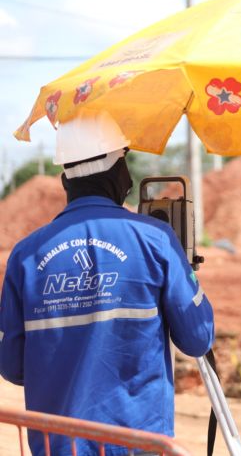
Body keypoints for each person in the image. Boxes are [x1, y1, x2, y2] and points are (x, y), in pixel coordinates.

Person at [0, 111, 214, 456]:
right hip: (137, 446)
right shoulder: (155, 240)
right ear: (119, 174)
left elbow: (13, 367)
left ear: (65, 180)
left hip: (58, 447)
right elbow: (198, 338)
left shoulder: (25, 255)